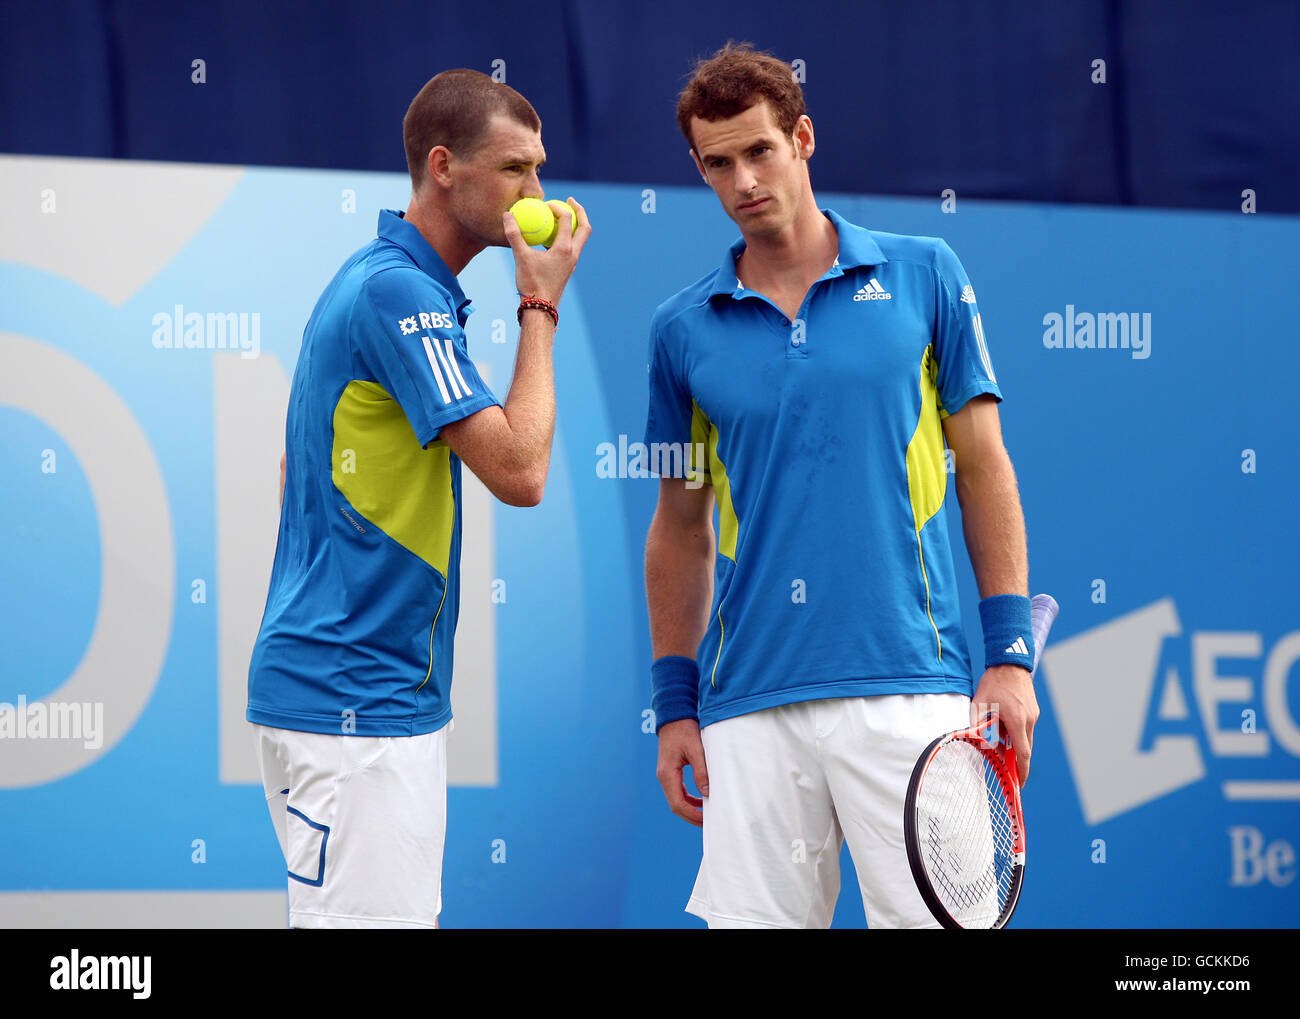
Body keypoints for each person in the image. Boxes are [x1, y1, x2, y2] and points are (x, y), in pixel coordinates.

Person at [644, 43, 1038, 929]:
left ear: (803, 138)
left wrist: (1008, 654)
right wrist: (675, 704)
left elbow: (983, 466)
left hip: (912, 688)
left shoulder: (926, 274)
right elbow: (679, 525)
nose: (743, 179)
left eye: (760, 151)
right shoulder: (679, 333)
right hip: (747, 706)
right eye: (718, 163)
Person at [247, 68, 590, 929]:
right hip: (354, 699)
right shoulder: (398, 291)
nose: (536, 194)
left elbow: (298, 472)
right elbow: (522, 471)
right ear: (444, 167)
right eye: (514, 169)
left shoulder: (386, 281)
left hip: (349, 692)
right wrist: (539, 302)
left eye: (540, 169)